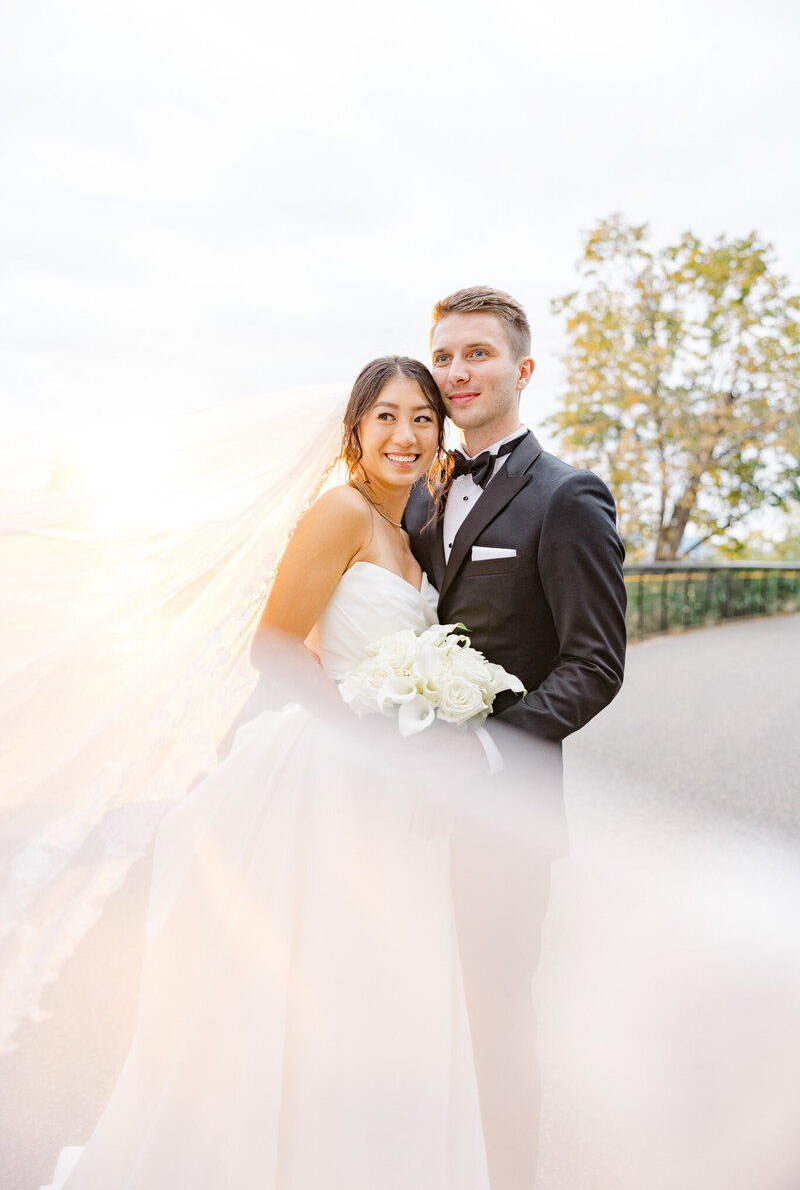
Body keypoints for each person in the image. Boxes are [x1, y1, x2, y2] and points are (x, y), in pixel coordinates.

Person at [42, 356, 500, 1190]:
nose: (406, 434)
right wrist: (374, 739)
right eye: (387, 416)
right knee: (321, 986)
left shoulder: (415, 528)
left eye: (423, 418)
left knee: (384, 992)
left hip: (400, 793)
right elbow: (276, 646)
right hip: (330, 776)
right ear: (355, 430)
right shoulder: (340, 510)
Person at [404, 286, 628, 1189]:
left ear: (522, 368)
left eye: (479, 354)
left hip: (504, 819)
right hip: (396, 809)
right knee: (416, 1008)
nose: (459, 372)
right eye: (446, 356)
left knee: (496, 1020)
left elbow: (595, 662)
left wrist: (486, 747)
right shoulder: (415, 490)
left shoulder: (568, 497)